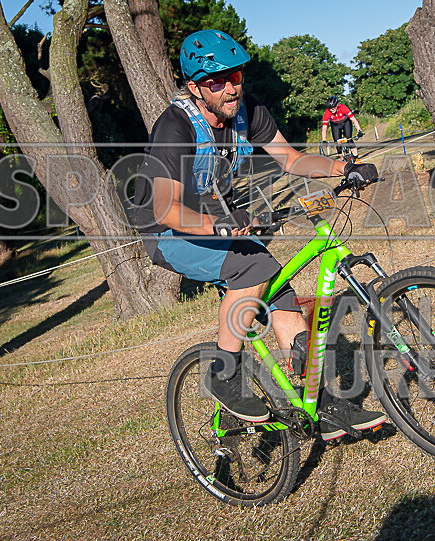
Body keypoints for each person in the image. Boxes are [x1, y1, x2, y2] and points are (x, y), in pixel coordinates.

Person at [133, 30, 385, 440]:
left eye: (236, 75)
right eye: (217, 80)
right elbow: (166, 207)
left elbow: (291, 159)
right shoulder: (175, 126)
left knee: (275, 282)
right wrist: (219, 225)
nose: (231, 87)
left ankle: (317, 404)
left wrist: (343, 169)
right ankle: (223, 375)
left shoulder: (248, 111)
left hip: (216, 215)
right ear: (195, 87)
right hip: (165, 230)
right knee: (250, 266)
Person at [321, 96, 363, 160]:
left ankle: (356, 157)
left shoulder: (343, 107)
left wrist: (359, 131)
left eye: (333, 107)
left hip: (345, 122)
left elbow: (354, 120)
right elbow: (324, 128)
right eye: (330, 108)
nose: (332, 110)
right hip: (335, 125)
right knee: (337, 143)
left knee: (349, 139)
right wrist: (324, 140)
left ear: (337, 104)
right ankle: (342, 159)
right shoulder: (327, 113)